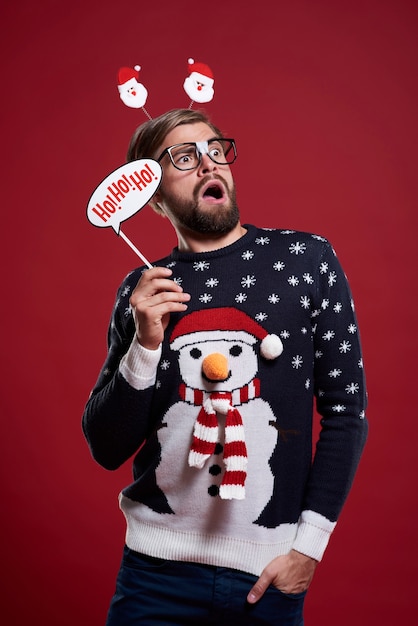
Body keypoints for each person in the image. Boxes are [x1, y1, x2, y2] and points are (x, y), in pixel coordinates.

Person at [82, 108, 368, 625]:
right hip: (153, 575)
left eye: (216, 151)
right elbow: (106, 446)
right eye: (184, 158)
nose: (209, 165)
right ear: (152, 195)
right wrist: (145, 342)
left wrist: (308, 549)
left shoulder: (307, 260)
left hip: (267, 577)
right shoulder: (142, 291)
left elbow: (347, 413)